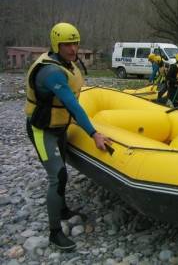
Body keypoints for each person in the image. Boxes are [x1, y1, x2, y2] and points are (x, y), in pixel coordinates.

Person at [25, 22, 110, 250]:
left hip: (60, 127)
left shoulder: (68, 65)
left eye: (75, 43)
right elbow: (72, 105)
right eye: (67, 45)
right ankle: (54, 233)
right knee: (58, 176)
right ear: (56, 45)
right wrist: (94, 133)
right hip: (43, 129)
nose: (73, 49)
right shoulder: (51, 72)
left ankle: (62, 209)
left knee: (61, 170)